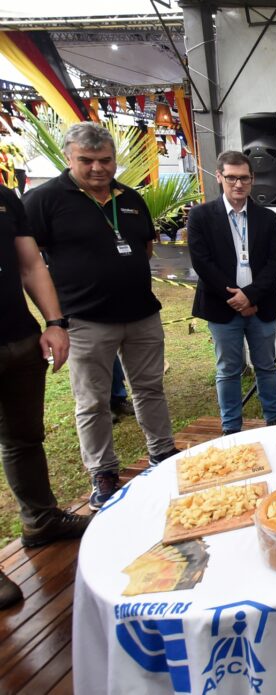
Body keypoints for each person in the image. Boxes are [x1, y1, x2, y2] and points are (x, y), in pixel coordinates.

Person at [23, 122, 178, 511]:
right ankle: (103, 471)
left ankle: (163, 453)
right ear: (68, 158)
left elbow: (144, 246)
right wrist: (55, 320)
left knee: (149, 388)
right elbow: (31, 263)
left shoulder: (129, 197)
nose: (98, 168)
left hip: (141, 314)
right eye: (87, 161)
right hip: (86, 320)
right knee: (92, 401)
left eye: (105, 160)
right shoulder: (44, 199)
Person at [0, 183, 91, 610]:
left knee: (24, 439)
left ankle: (41, 519)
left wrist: (54, 321)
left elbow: (31, 263)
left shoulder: (4, 196)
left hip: (18, 340)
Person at [187, 151, 276, 436]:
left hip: (260, 306)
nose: (238, 184)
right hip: (222, 307)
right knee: (228, 369)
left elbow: (274, 260)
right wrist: (235, 298)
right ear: (219, 177)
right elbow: (202, 262)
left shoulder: (267, 218)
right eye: (231, 177)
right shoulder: (201, 216)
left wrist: (251, 296)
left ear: (253, 180)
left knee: (266, 366)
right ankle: (231, 428)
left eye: (244, 178)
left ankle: (274, 422)